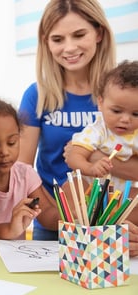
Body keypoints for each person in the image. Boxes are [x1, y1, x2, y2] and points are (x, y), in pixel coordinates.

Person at [18, 0, 116, 240]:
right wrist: (50, 214)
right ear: (46, 43)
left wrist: (89, 157)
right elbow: (21, 168)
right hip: (56, 222)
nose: (69, 48)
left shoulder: (122, 93)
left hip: (113, 220)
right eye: (58, 39)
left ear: (99, 33)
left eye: (79, 35)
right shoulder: (37, 96)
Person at [0, 92, 60, 239]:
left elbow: (47, 213)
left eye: (12, 142)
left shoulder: (25, 174)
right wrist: (9, 229)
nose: (5, 152)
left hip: (16, 258)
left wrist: (73, 218)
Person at [66, 60, 138, 207]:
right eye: (116, 111)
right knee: (70, 187)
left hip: (120, 194)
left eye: (136, 114)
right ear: (100, 103)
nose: (125, 119)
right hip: (90, 188)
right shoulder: (97, 130)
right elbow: (73, 157)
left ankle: (114, 224)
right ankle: (88, 224)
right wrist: (90, 168)